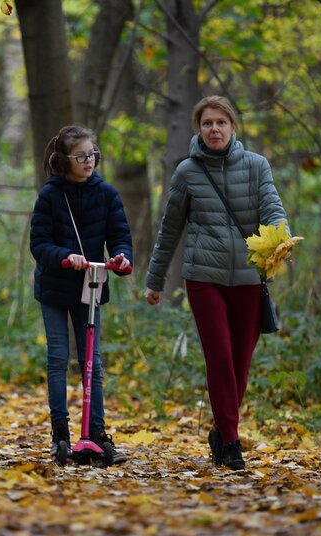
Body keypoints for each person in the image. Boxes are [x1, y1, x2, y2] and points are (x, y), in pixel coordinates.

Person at [144, 96, 291, 470]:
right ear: (199, 128)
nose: (214, 129)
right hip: (203, 277)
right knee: (220, 356)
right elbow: (170, 228)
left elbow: (272, 206)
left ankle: (221, 429)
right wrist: (155, 280)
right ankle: (230, 441)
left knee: (240, 362)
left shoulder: (257, 166)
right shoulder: (187, 172)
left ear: (233, 127)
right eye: (207, 123)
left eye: (221, 123)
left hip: (248, 276)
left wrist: (281, 239)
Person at [30, 124, 133, 465]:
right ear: (64, 161)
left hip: (91, 286)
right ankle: (61, 433)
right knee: (58, 358)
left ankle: (98, 435)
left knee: (93, 363)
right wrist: (64, 256)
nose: (89, 161)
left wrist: (120, 257)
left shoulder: (106, 194)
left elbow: (120, 235)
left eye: (92, 155)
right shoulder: (50, 195)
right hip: (56, 287)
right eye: (81, 156)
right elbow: (39, 243)